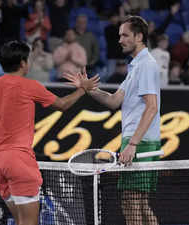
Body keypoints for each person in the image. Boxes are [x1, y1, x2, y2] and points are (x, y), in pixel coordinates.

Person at [0, 41, 99, 225]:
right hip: (20, 162)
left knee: (20, 221)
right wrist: (83, 88)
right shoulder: (30, 86)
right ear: (22, 63)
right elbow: (63, 105)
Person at [68, 15, 161, 225]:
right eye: (119, 35)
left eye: (125, 35)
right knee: (141, 204)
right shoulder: (136, 66)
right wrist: (88, 88)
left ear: (138, 37)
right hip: (140, 141)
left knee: (131, 202)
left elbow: (152, 107)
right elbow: (113, 101)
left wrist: (133, 144)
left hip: (141, 142)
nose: (120, 40)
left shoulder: (146, 65)